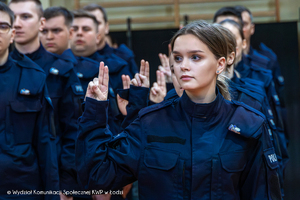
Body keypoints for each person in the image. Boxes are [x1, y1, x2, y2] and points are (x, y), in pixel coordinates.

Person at [76, 20, 281, 199]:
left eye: (195, 57)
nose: (183, 66)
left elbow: (262, 194)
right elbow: (98, 177)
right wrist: (94, 111)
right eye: (178, 58)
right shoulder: (151, 123)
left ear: (220, 64)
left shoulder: (249, 124)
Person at [9, 1, 85, 200]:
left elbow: (74, 131)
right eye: (12, 18)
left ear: (41, 23)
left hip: (50, 182)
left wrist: (67, 185)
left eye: (25, 17)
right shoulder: (4, 70)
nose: (17, 23)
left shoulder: (61, 71)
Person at [0, 2, 59, 199]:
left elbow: (45, 143)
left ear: (12, 35)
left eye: (3, 26)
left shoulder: (32, 77)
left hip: (22, 189)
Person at [83, 3, 138, 77]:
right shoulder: (74, 59)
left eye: (97, 23)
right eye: (87, 25)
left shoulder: (123, 57)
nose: (93, 28)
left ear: (106, 28)